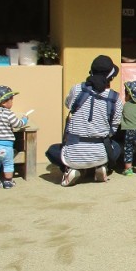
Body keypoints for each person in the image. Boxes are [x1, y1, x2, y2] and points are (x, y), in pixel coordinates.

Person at [46, 55, 123, 187]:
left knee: (52, 150)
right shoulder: (116, 99)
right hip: (101, 150)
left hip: (73, 150)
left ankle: (71, 169)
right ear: (111, 77)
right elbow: (114, 128)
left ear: (91, 72)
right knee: (117, 146)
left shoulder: (77, 89)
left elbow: (68, 104)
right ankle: (100, 166)